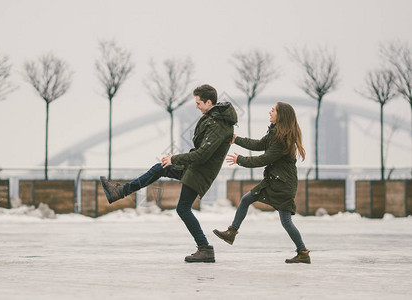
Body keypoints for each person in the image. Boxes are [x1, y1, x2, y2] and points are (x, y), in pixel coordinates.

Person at [100, 84, 238, 263]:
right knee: (160, 167)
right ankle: (120, 191)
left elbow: (203, 154)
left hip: (200, 171)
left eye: (198, 103)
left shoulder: (218, 124)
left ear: (208, 102)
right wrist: (175, 160)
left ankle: (205, 248)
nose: (196, 106)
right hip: (194, 167)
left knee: (183, 209)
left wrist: (176, 159)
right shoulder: (213, 118)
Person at [213, 102, 311, 264]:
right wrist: (236, 139)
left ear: (281, 115)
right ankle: (232, 233)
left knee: (286, 221)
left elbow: (264, 158)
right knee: (246, 200)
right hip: (275, 180)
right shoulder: (276, 132)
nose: (269, 112)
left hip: (282, 185)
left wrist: (240, 159)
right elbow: (259, 145)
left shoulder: (282, 138)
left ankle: (303, 252)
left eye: (273, 110)